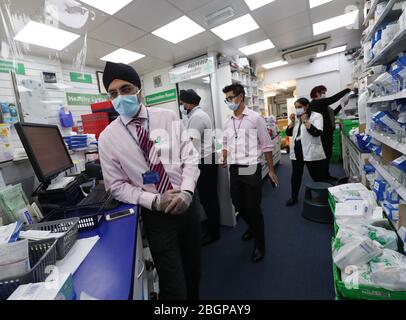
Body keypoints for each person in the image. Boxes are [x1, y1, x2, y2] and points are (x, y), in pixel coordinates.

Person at [98, 62, 201, 300]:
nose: (120, 97)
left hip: (188, 204)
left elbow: (190, 156)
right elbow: (116, 186)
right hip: (157, 216)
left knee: (193, 271)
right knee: (173, 285)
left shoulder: (167, 117)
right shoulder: (107, 138)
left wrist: (186, 192)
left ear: (138, 89)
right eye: (113, 94)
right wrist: (155, 201)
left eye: (125, 89)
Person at [221, 84, 278, 263]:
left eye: (231, 98)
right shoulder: (227, 121)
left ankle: (260, 245)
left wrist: (271, 170)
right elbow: (225, 143)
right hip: (235, 168)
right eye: (226, 99)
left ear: (241, 96)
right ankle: (253, 227)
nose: (228, 102)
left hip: (251, 167)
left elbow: (266, 145)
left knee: (253, 208)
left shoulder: (255, 118)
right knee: (237, 203)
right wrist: (223, 156)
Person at [179, 89, 221, 246]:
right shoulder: (199, 115)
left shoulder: (196, 117)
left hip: (205, 161)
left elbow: (192, 144)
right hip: (208, 159)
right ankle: (213, 228)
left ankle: (214, 232)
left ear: (189, 104)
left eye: (183, 103)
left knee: (208, 199)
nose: (182, 106)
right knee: (209, 198)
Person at [285, 98, 327, 206]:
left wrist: (305, 121)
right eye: (296, 107)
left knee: (317, 177)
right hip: (297, 150)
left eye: (299, 107)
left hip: (310, 151)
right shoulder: (297, 119)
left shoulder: (316, 116)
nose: (297, 109)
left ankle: (324, 198)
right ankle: (294, 197)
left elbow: (317, 133)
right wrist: (293, 122)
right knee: (295, 176)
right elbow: (289, 133)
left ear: (307, 106)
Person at [310, 85, 351, 179]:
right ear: (317, 93)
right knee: (324, 156)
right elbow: (332, 99)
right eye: (323, 92)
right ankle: (323, 177)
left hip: (328, 133)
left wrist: (342, 105)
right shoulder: (316, 103)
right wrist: (347, 90)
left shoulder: (323, 105)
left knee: (327, 155)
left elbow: (334, 113)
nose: (324, 94)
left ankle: (326, 175)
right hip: (323, 134)